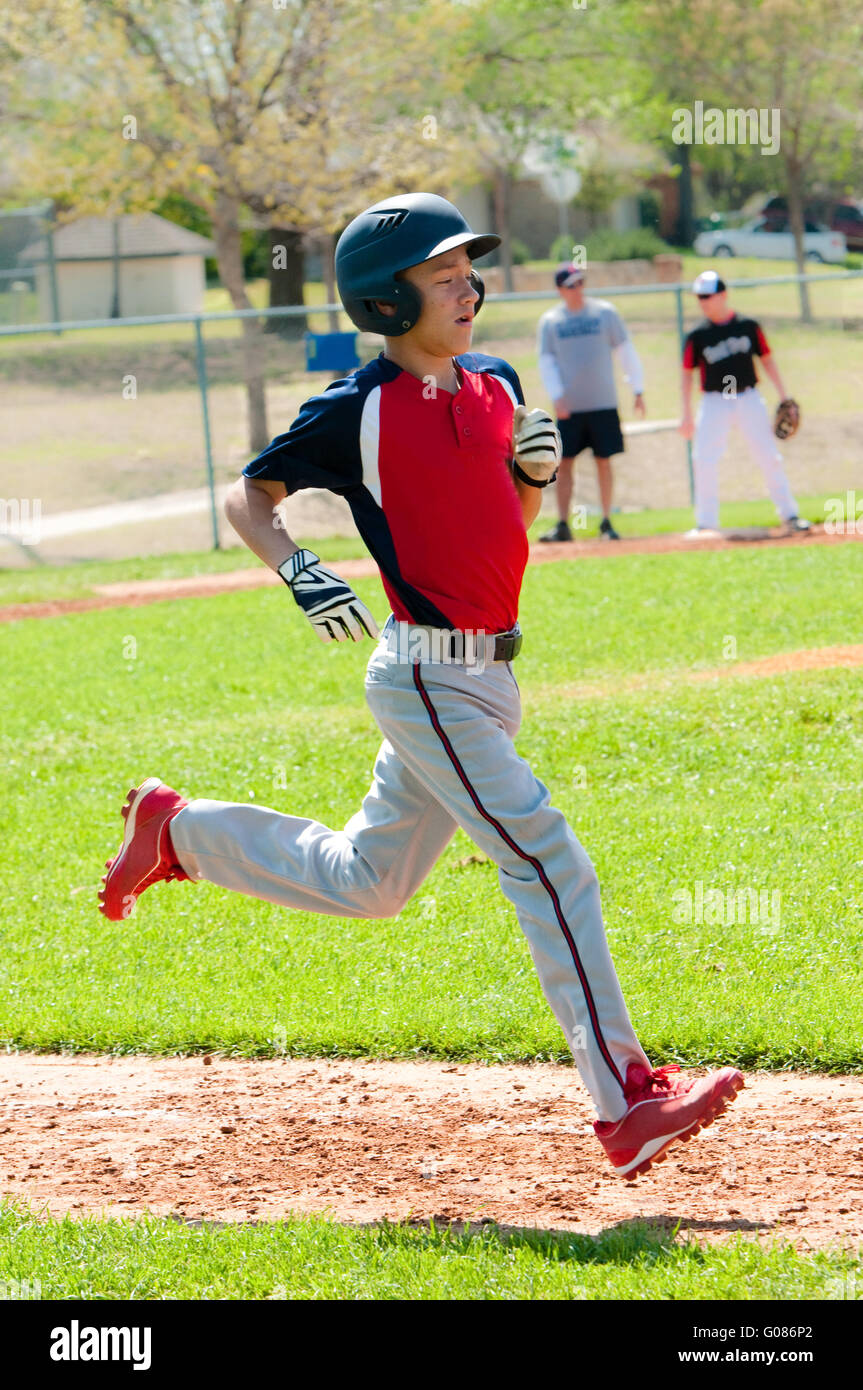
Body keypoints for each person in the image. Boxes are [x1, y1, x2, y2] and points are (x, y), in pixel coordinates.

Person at [99, 193, 742, 1181]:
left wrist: (532, 473)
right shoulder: (355, 407)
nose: (466, 287)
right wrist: (294, 564)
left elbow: (507, 528)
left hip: (483, 679)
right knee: (547, 857)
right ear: (386, 302)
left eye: (466, 270)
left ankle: (177, 831)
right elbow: (248, 491)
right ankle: (626, 1101)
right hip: (425, 677)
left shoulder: (494, 379)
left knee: (369, 881)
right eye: (440, 276)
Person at [680, 270, 811, 536]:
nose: (702, 301)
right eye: (699, 297)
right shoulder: (697, 335)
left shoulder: (748, 326)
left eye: (707, 296)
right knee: (703, 459)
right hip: (714, 400)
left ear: (723, 295)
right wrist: (686, 414)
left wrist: (784, 395)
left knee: (768, 456)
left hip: (748, 397)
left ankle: (790, 516)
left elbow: (767, 360)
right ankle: (706, 523)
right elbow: (686, 375)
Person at [537, 262, 646, 543]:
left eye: (581, 282)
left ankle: (607, 522)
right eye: (571, 285)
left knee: (603, 461)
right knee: (565, 465)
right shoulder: (551, 321)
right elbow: (546, 362)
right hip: (570, 408)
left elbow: (626, 350)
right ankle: (563, 524)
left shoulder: (605, 313)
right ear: (560, 289)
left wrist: (638, 388)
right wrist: (557, 396)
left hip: (603, 403)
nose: (578, 289)